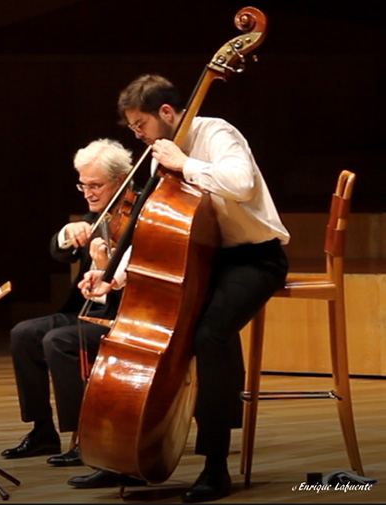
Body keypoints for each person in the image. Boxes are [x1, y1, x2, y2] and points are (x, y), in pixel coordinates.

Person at [71, 74, 289, 502]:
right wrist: (114, 274)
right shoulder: (160, 156)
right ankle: (132, 452)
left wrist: (186, 163)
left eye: (140, 124)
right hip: (203, 258)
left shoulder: (216, 133)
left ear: (166, 112)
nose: (137, 134)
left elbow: (241, 184)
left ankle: (215, 467)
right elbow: (156, 230)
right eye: (132, 126)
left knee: (209, 336)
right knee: (165, 334)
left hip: (255, 258)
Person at [2, 139, 133, 467]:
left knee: (58, 341)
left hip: (124, 316)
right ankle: (42, 431)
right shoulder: (98, 212)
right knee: (23, 334)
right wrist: (67, 233)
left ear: (121, 181)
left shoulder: (143, 214)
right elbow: (60, 252)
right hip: (86, 310)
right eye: (82, 185)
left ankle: (84, 438)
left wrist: (106, 264)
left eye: (95, 185)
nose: (88, 193)